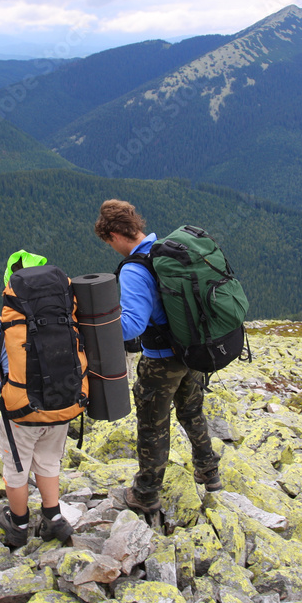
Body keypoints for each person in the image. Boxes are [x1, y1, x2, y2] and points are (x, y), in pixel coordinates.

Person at [94, 199, 222, 512]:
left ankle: (146, 494)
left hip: (161, 361)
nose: (112, 248)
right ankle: (209, 471)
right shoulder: (166, 250)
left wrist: (97, 325)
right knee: (191, 412)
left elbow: (132, 326)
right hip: (191, 352)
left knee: (152, 424)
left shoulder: (135, 269)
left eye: (109, 242)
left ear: (115, 234)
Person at [0, 249, 74, 547]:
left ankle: (18, 526)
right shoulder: (65, 318)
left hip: (21, 414)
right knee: (49, 463)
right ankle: (53, 519)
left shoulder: (1, 328)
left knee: (16, 470)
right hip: (60, 405)